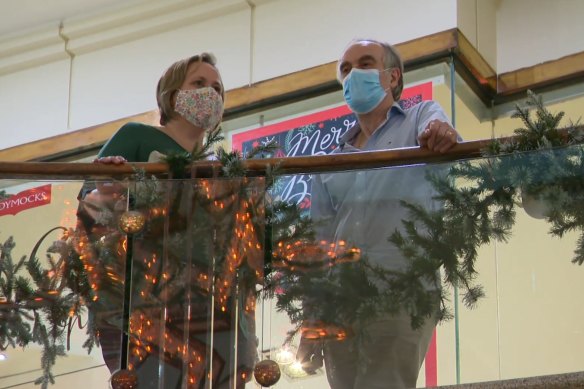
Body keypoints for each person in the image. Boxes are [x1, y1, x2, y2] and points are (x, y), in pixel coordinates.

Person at [75, 53, 257, 388]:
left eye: (217, 88)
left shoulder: (219, 166)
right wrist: (109, 184)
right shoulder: (137, 136)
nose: (211, 93)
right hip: (144, 303)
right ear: (172, 95)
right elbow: (91, 202)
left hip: (208, 308)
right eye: (198, 83)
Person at [298, 39, 461, 389]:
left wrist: (441, 134)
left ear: (392, 77)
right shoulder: (330, 160)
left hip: (400, 291)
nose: (354, 74)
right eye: (346, 69)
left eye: (366, 63)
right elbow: (319, 244)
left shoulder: (420, 116)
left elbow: (441, 133)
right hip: (341, 302)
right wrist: (313, 319)